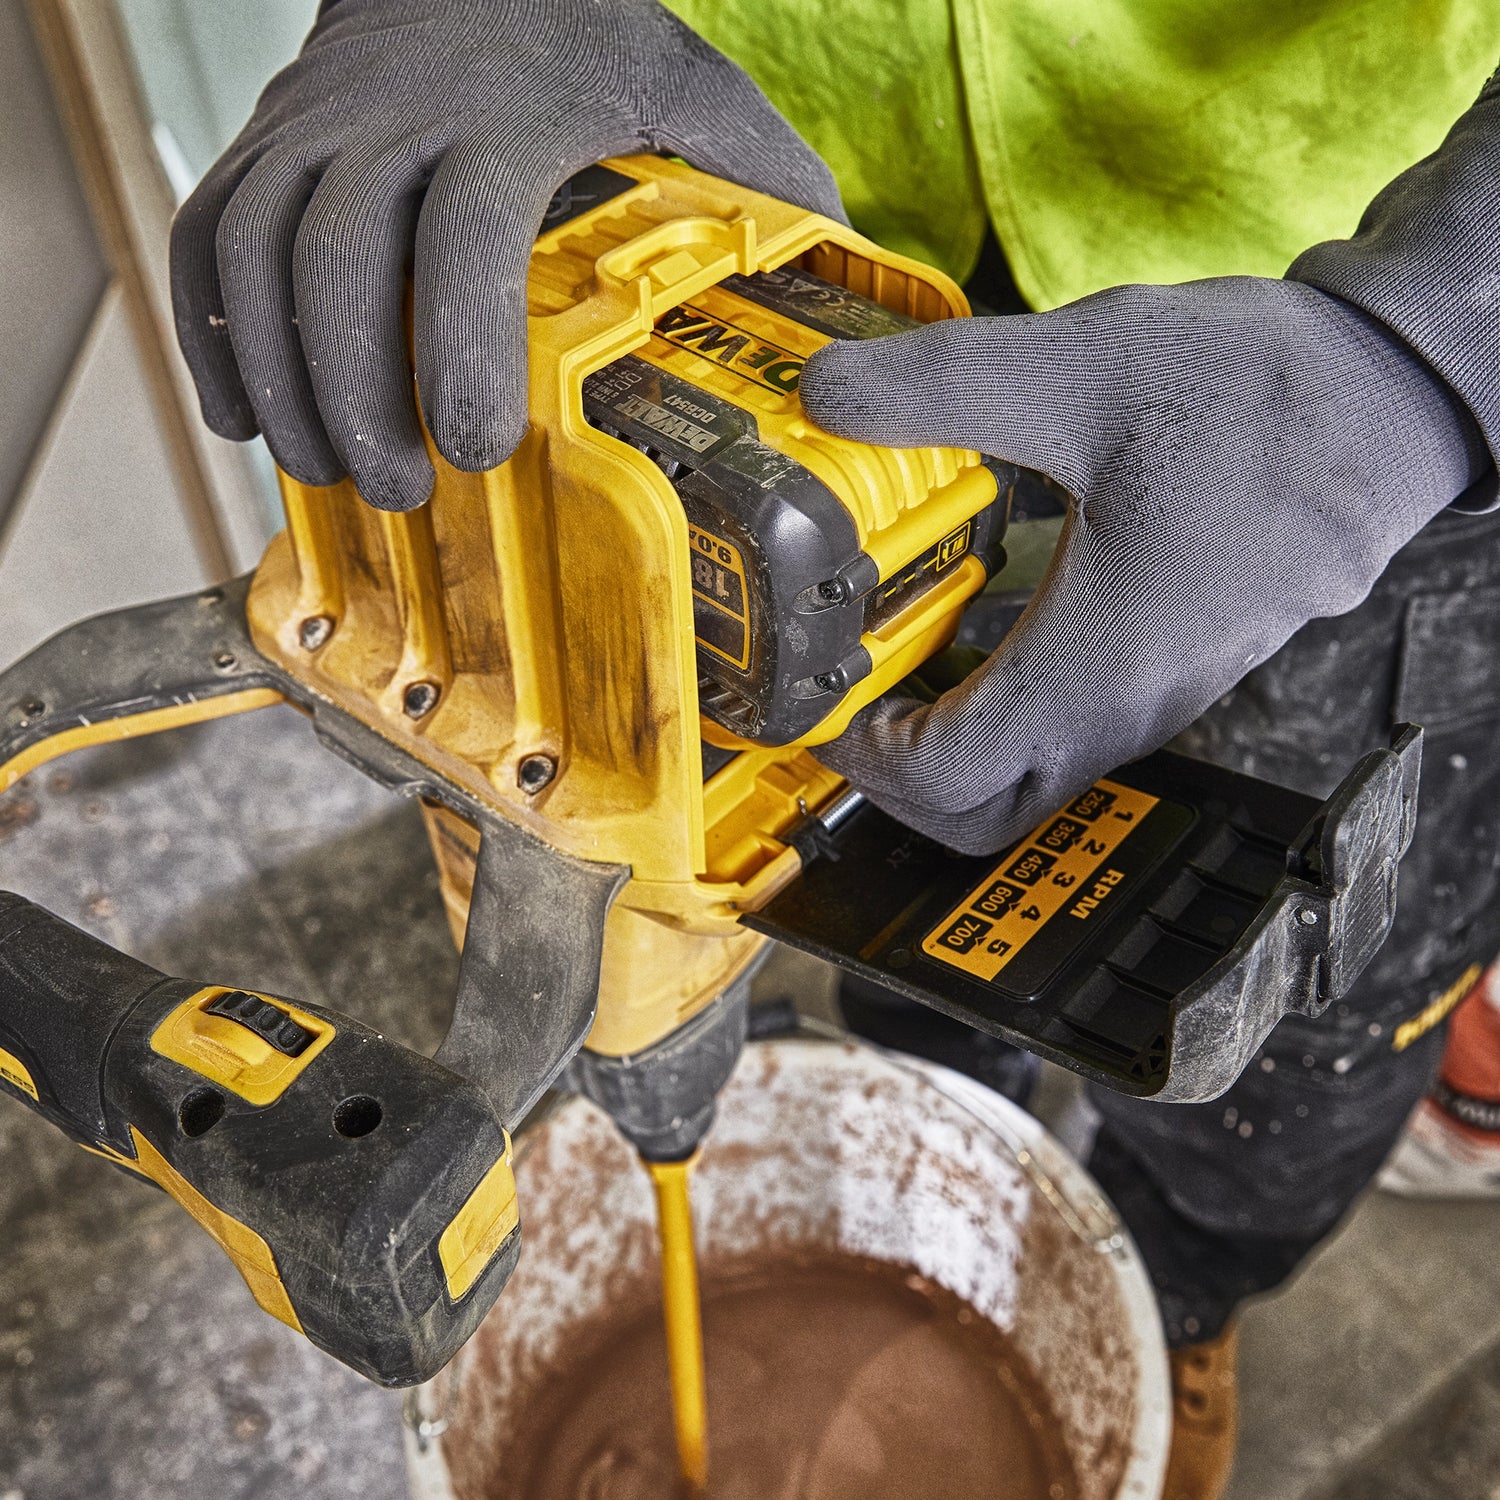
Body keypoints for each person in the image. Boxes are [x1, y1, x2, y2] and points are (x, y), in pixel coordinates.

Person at [166, 4, 1500, 1494]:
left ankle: (1177, 1291)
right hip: (799, 278)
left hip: (1307, 349)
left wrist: (1436, 345)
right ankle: (954, 1138)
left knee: (1305, 1039)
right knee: (904, 896)